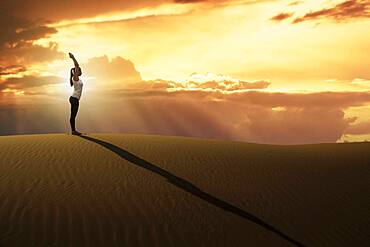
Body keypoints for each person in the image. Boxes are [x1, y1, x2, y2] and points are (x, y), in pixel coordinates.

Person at [68, 52, 83, 135]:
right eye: (79, 70)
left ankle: (73, 130)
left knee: (74, 115)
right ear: (75, 72)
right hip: (74, 99)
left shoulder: (78, 79)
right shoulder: (75, 78)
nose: (81, 71)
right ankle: (73, 131)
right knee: (73, 115)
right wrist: (73, 58)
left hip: (75, 99)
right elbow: (76, 66)